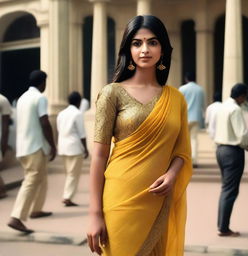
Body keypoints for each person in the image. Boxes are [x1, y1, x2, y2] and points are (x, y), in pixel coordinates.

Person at [86, 15, 192, 256]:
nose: (145, 49)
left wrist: (173, 175)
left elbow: (181, 151)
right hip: (120, 200)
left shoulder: (176, 99)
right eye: (137, 43)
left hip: (158, 199)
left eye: (152, 42)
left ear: (163, 48)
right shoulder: (112, 93)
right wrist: (94, 214)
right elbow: (99, 156)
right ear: (128, 49)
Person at [7, 70, 56, 233]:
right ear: (43, 83)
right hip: (35, 146)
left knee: (41, 177)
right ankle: (16, 217)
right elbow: (45, 122)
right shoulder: (40, 98)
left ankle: (36, 209)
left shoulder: (22, 98)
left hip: (24, 147)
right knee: (32, 180)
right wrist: (53, 145)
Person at [214, 83, 248, 237]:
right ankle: (223, 228)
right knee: (230, 190)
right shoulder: (235, 109)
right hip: (233, 151)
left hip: (220, 149)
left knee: (225, 189)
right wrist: (246, 144)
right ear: (241, 96)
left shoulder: (222, 107)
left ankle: (222, 225)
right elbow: (241, 134)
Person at [57, 91, 89, 207]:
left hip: (63, 146)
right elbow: (82, 134)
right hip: (74, 147)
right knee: (73, 174)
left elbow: (59, 130)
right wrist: (85, 149)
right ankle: (67, 197)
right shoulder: (77, 114)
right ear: (79, 102)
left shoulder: (61, 113)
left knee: (68, 173)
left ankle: (67, 195)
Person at [179, 72, 205, 167]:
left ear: (186, 79)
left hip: (185, 117)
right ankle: (194, 161)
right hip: (196, 117)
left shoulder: (182, 89)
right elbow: (203, 105)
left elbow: (179, 104)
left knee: (183, 140)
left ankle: (184, 160)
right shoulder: (200, 90)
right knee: (194, 139)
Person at [0, 93, 12, 199]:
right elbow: (5, 128)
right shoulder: (3, 100)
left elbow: (5, 128)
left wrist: (3, 145)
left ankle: (2, 191)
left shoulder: (3, 101)